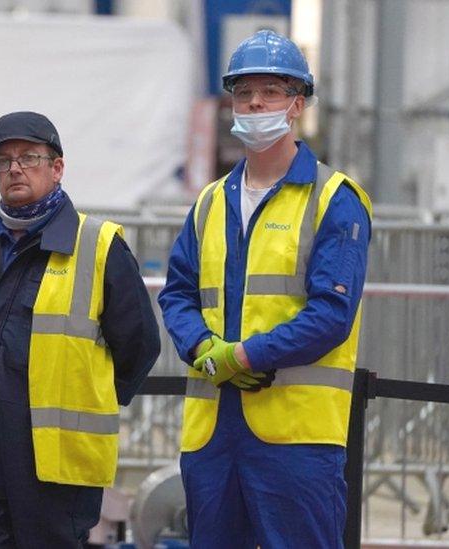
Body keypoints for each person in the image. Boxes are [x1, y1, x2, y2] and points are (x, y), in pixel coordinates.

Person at [158, 30, 373, 548]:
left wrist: (248, 355)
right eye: (244, 92)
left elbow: (331, 314)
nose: (255, 104)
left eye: (271, 92)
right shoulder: (210, 201)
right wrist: (205, 349)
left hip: (295, 439)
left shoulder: (334, 200)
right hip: (213, 436)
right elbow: (177, 293)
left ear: (297, 104)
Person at [0, 111, 161, 548]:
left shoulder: (96, 245)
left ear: (57, 168)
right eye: (3, 161)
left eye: (29, 157)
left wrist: (83, 395)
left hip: (54, 463)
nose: (15, 169)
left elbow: (140, 345)